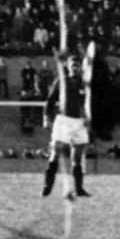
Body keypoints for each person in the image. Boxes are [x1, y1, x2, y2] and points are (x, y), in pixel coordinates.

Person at [42, 51, 92, 198]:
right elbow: (50, 100)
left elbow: (89, 103)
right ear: (68, 66)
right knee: (55, 153)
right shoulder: (61, 81)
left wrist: (88, 118)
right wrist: (46, 117)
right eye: (72, 65)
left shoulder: (85, 83)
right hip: (63, 121)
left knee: (77, 157)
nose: (75, 67)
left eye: (77, 65)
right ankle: (47, 187)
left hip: (79, 122)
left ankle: (79, 189)